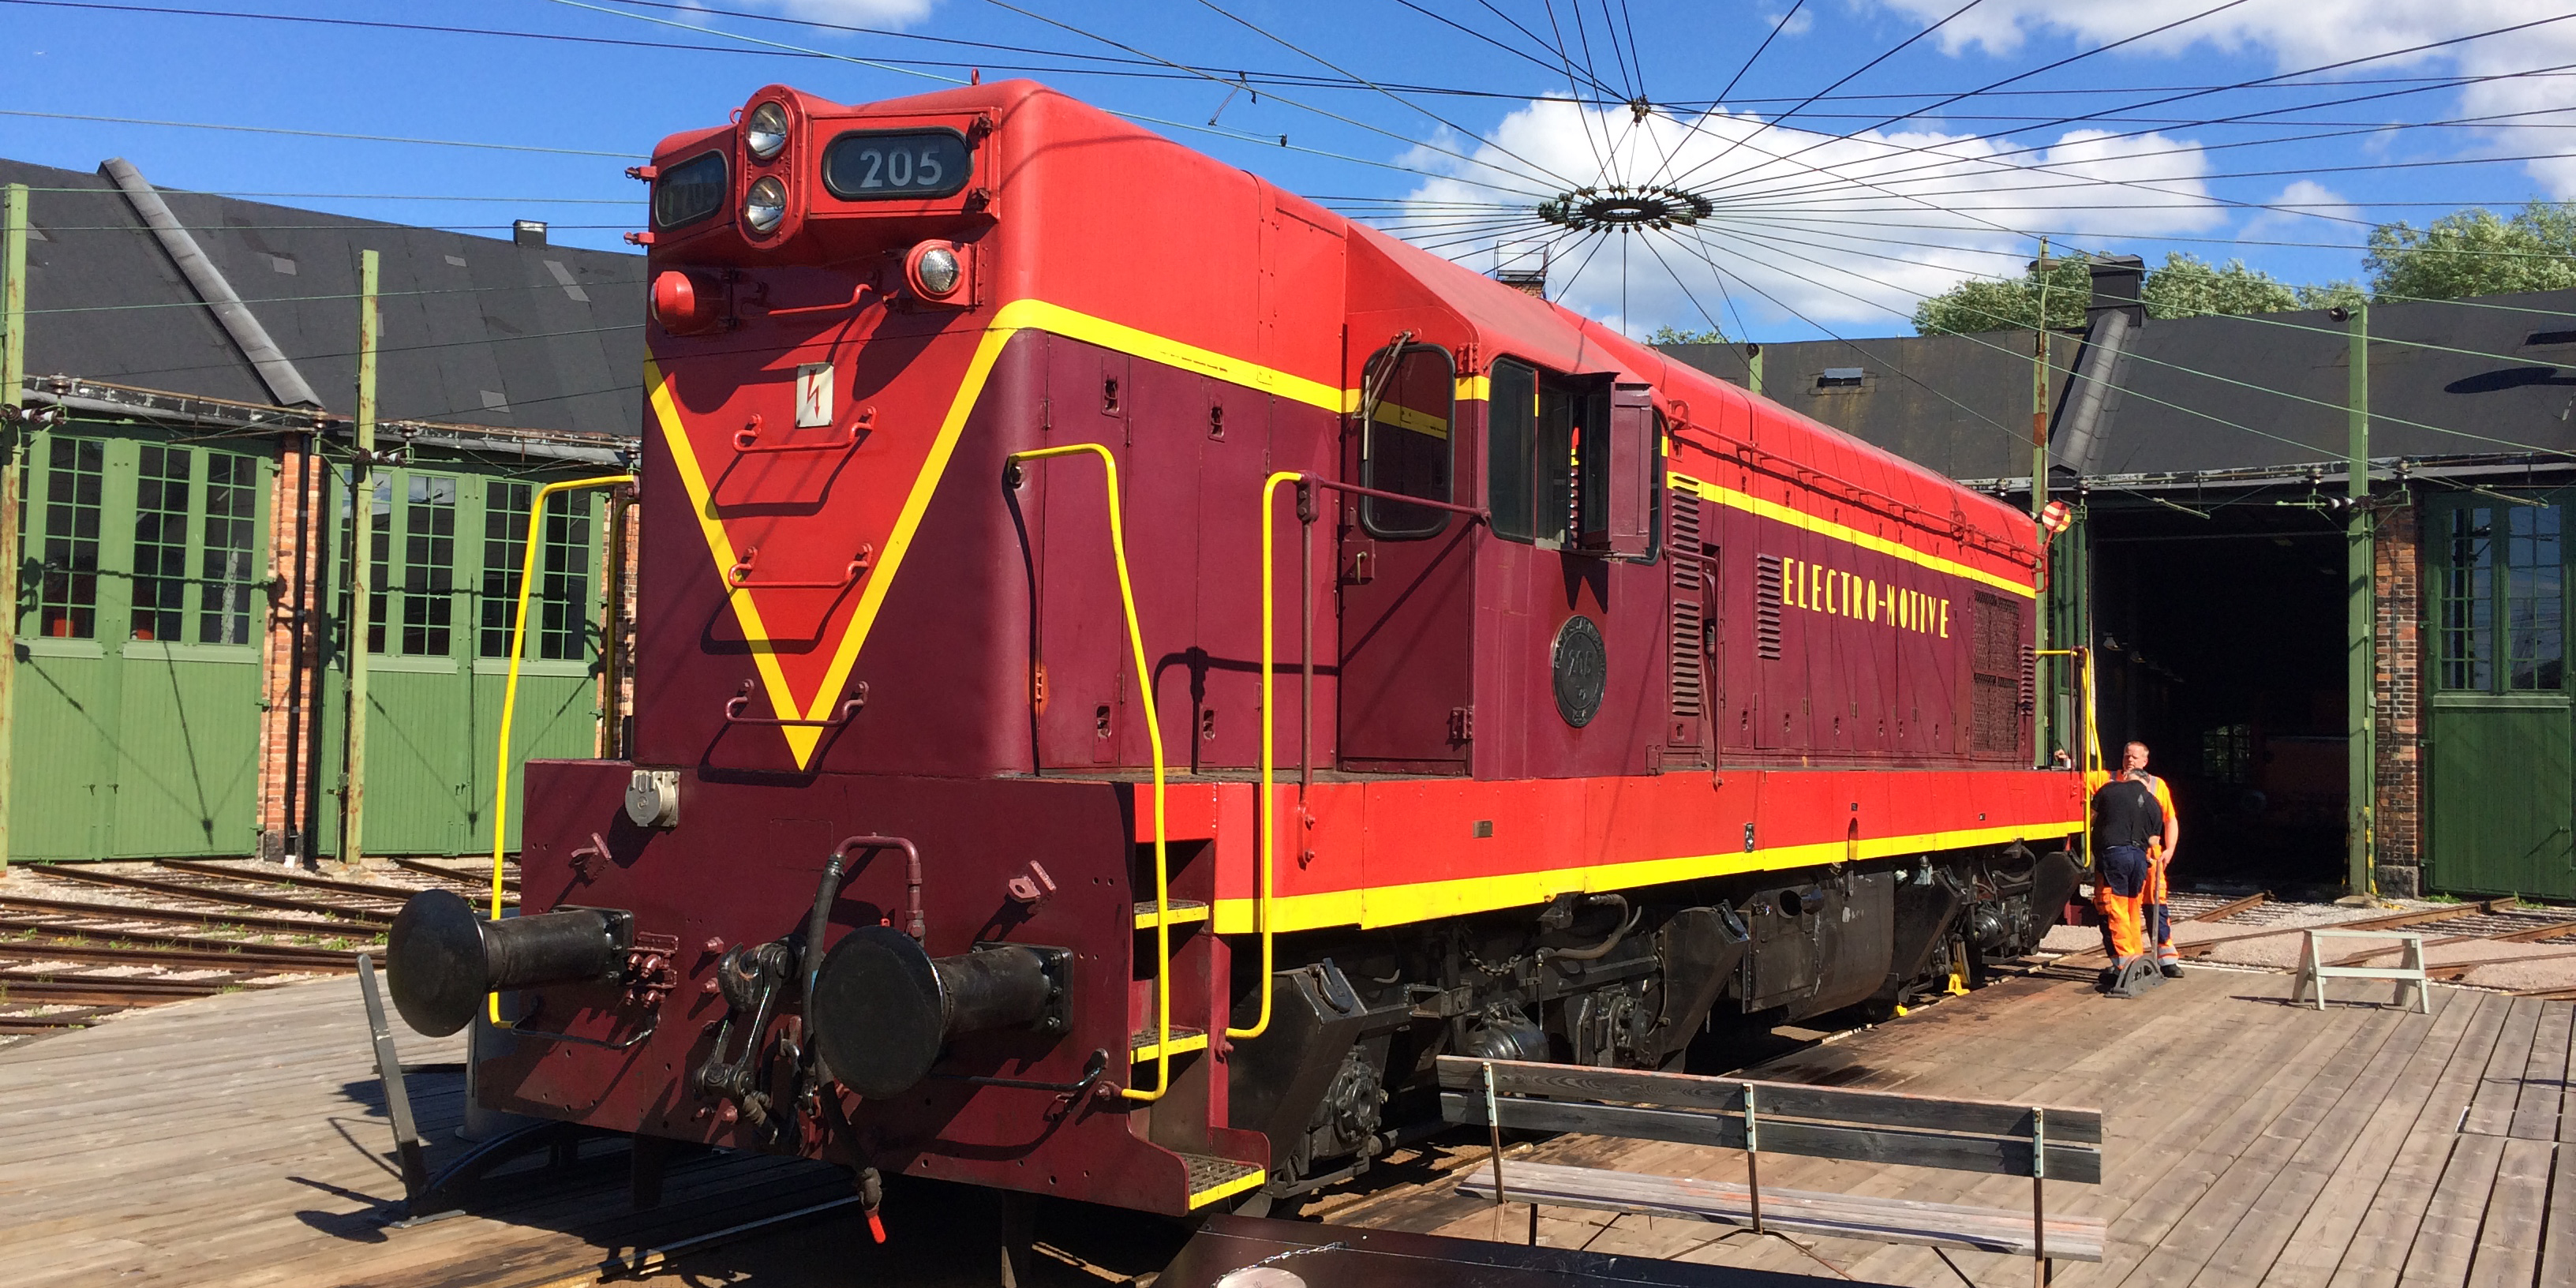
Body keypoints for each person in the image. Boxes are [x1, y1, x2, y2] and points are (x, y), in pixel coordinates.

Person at [2087, 742, 2168, 991]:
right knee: (2133, 908)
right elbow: (2154, 841)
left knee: (2116, 909)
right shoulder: (2154, 803)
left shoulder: (2109, 789)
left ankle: (2123, 964)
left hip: (2115, 855)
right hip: (2140, 860)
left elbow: (2089, 818)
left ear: (2128, 778)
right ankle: (2136, 957)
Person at [2129, 744, 2184, 978]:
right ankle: (2130, 958)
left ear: (2145, 761)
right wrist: (2067, 760)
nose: (2129, 760)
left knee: (2156, 905)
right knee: (2125, 907)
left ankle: (2167, 958)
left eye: (2134, 756)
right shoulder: (2108, 779)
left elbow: (2170, 819)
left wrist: (2170, 849)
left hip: (2151, 854)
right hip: (2126, 852)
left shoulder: (2157, 785)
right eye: (2126, 755)